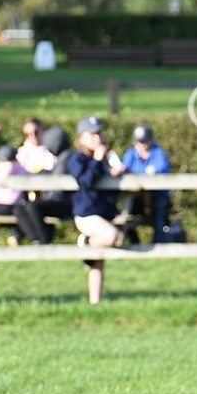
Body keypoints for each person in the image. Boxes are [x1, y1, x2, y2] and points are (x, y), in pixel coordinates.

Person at [67, 115, 126, 305]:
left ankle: (95, 303)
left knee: (98, 259)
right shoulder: (77, 158)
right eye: (92, 134)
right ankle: (85, 242)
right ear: (82, 137)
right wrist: (97, 160)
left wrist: (115, 171)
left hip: (103, 213)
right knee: (113, 237)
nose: (98, 138)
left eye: (99, 133)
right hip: (86, 214)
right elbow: (84, 182)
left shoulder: (107, 157)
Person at [13, 125, 73, 245]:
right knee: (19, 208)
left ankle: (46, 241)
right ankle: (36, 239)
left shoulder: (66, 158)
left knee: (33, 207)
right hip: (54, 199)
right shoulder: (60, 158)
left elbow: (58, 184)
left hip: (65, 202)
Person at [120, 124, 173, 243]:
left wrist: (136, 173)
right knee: (124, 214)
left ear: (151, 140)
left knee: (159, 214)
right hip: (136, 196)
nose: (142, 145)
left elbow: (161, 171)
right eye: (139, 142)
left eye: (145, 141)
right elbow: (124, 170)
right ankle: (134, 243)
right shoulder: (130, 154)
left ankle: (159, 245)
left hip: (157, 196)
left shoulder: (159, 153)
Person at [0, 145, 28, 246]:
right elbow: (30, 177)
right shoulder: (17, 166)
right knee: (23, 214)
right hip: (12, 206)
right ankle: (16, 237)